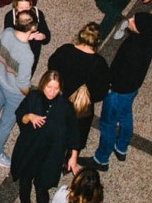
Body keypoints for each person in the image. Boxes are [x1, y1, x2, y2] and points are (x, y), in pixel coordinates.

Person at [89, 12, 152, 171]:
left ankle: (101, 159)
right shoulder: (146, 38)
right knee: (125, 114)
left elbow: (122, 72)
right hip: (131, 89)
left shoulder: (135, 48)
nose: (129, 20)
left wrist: (110, 87)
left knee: (108, 124)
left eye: (134, 21)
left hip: (118, 91)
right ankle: (121, 146)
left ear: (140, 28)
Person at [0, 8, 39, 167]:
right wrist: (28, 95)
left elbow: (0, 51)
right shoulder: (27, 55)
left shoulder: (7, 32)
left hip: (1, 79)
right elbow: (23, 83)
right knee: (6, 122)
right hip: (14, 92)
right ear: (32, 28)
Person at [11, 70, 80, 203]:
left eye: (56, 88)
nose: (52, 92)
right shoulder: (33, 97)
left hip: (51, 154)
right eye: (49, 87)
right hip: (30, 148)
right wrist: (30, 116)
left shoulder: (66, 107)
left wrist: (73, 156)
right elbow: (20, 115)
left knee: (42, 186)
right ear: (43, 84)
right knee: (25, 179)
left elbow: (74, 132)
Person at [46, 23, 111, 151]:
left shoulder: (66, 50)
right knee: (75, 133)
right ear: (97, 41)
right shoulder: (99, 63)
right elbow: (101, 91)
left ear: (80, 35)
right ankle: (68, 160)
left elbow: (52, 66)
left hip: (59, 97)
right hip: (80, 106)